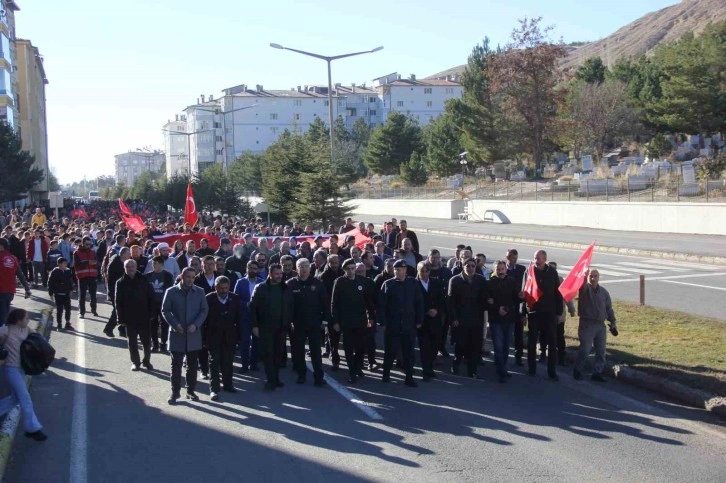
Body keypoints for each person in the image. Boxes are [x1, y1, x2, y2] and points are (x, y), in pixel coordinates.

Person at [162, 267, 210, 404]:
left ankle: (190, 391)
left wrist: (196, 324)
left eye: (193, 277)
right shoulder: (171, 292)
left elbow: (204, 310)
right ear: (182, 277)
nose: (190, 280)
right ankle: (175, 392)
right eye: (188, 277)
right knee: (176, 365)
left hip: (193, 334)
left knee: (192, 365)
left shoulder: (199, 292)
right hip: (177, 334)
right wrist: (175, 324)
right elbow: (165, 311)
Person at [0, 308, 47, 441]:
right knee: (25, 399)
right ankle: (32, 429)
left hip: (21, 369)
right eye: (26, 318)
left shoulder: (26, 330)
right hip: (10, 369)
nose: (28, 320)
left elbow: (38, 338)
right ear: (18, 320)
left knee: (16, 398)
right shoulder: (6, 330)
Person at [378, 260, 424, 387]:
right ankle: (386, 374)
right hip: (393, 324)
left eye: (400, 269)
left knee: (409, 352)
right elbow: (382, 305)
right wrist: (383, 322)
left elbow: (419, 302)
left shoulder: (413, 283)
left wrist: (419, 320)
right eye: (395, 269)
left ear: (405, 270)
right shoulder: (388, 284)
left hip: (409, 324)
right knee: (390, 351)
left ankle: (409, 377)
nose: (397, 271)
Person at [331, 258, 376, 384]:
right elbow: (334, 303)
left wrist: (371, 317)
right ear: (344, 270)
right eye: (348, 269)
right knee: (348, 348)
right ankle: (352, 371)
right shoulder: (339, 282)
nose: (351, 271)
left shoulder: (362, 281)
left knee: (361, 347)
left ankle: (357, 367)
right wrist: (335, 321)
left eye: (352, 268)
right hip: (346, 321)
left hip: (361, 320)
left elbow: (368, 302)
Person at [250, 263, 294, 391]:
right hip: (265, 327)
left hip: (281, 327)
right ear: (270, 274)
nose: (279, 276)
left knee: (278, 355)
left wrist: (289, 322)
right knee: (268, 354)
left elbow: (291, 306)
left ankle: (276, 378)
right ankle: (270, 380)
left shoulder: (286, 288)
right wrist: (255, 326)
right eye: (277, 274)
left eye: (281, 274)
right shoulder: (261, 288)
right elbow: (253, 308)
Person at [286, 258, 330, 386]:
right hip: (297, 324)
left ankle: (319, 377)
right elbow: (287, 305)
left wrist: (325, 320)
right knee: (298, 351)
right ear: (297, 268)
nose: (304, 269)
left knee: (316, 352)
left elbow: (325, 303)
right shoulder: (290, 284)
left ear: (310, 268)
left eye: (306, 266)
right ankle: (301, 375)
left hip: (314, 323)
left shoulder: (317, 283)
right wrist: (289, 321)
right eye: (301, 266)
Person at [573, 270, 618, 382]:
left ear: (599, 277)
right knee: (585, 349)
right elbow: (582, 286)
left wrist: (613, 323)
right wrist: (583, 277)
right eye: (590, 276)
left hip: (600, 325)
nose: (593, 278)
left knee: (601, 351)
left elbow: (609, 308)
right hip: (587, 324)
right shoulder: (585, 290)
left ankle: (597, 372)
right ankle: (578, 370)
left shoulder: (604, 292)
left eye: (595, 276)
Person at [447, 257, 488, 379]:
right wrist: (453, 318)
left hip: (476, 320)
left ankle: (472, 371)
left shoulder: (480, 280)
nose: (470, 268)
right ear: (463, 266)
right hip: (460, 320)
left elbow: (484, 299)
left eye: (472, 266)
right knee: (460, 345)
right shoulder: (455, 280)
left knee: (474, 347)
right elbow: (450, 302)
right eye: (468, 266)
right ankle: (456, 364)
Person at [526, 250, 564, 381]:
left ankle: (552, 371)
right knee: (532, 341)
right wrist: (523, 312)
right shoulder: (530, 271)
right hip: (534, 312)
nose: (537, 260)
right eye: (535, 257)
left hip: (549, 312)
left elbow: (558, 293)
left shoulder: (552, 272)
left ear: (545, 259)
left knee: (552, 343)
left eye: (540, 258)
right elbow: (525, 291)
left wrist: (559, 312)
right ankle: (531, 368)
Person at [205, 276, 241, 400]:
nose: (224, 291)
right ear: (216, 287)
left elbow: (239, 319)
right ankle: (214, 389)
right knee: (214, 362)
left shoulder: (235, 298)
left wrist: (238, 338)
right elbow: (204, 320)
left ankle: (228, 384)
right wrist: (204, 339)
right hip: (213, 337)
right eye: (221, 288)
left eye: (226, 288)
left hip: (229, 337)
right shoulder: (208, 299)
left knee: (228, 362)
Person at [115, 259, 155, 371]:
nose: (131, 268)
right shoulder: (120, 282)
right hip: (129, 318)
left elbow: (151, 296)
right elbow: (118, 301)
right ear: (125, 268)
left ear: (136, 267)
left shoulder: (144, 279)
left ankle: (147, 361)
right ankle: (136, 362)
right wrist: (120, 317)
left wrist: (152, 313)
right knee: (132, 342)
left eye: (132, 266)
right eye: (128, 266)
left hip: (144, 316)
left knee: (146, 342)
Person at [487, 260, 523, 383]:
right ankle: (501, 372)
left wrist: (520, 297)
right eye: (498, 269)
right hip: (496, 319)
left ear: (505, 269)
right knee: (498, 346)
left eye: (502, 269)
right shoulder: (490, 283)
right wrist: (497, 308)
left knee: (507, 346)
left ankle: (502, 366)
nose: (500, 271)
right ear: (494, 270)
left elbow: (516, 299)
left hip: (509, 318)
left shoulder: (512, 282)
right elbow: (488, 301)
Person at [539, 261, 576, 365]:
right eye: (550, 268)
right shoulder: (542, 278)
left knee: (560, 337)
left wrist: (571, 309)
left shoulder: (560, 281)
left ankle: (561, 357)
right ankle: (542, 354)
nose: (552, 271)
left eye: (554, 269)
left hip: (558, 316)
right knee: (544, 335)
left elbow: (567, 296)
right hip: (545, 314)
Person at [416, 261, 446, 382]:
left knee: (434, 346)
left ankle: (430, 367)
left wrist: (436, 310)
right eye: (421, 271)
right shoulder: (414, 284)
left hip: (435, 320)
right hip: (422, 320)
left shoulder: (436, 283)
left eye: (426, 271)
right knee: (424, 347)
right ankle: (426, 371)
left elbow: (441, 300)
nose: (424, 273)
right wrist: (425, 311)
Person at [233, 260, 263, 373]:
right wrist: (245, 304)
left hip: (257, 317)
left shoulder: (262, 282)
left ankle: (254, 364)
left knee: (257, 341)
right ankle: (244, 365)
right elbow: (235, 300)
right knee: (245, 342)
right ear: (247, 268)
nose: (252, 270)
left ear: (258, 270)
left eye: (255, 268)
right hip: (244, 316)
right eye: (250, 268)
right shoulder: (240, 282)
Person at [317, 254, 343, 367]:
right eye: (332, 262)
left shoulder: (343, 273)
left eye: (336, 262)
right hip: (330, 308)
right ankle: (334, 357)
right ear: (328, 263)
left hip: (343, 308)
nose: (335, 265)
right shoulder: (324, 276)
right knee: (333, 335)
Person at [145, 256, 174, 353]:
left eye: (155, 263)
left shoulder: (168, 276)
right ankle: (155, 344)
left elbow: (170, 290)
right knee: (152, 324)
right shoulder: (148, 276)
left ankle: (163, 343)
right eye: (153, 264)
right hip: (152, 304)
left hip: (163, 303)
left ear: (161, 264)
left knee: (164, 324)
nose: (153, 265)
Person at [0, 238, 31, 326]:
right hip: (9, 291)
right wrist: (27, 289)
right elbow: (20, 275)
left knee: (2, 317)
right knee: (4, 314)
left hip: (1, 290)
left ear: (1, 247)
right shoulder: (13, 258)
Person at [505, 249, 527, 366]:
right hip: (506, 305)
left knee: (518, 334)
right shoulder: (502, 268)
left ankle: (518, 357)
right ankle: (503, 355)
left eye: (515, 257)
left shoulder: (522, 270)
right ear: (507, 257)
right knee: (505, 333)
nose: (513, 259)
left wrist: (524, 313)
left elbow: (525, 288)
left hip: (518, 306)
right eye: (510, 257)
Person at [103, 247, 131, 338]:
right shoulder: (116, 263)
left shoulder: (124, 262)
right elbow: (113, 279)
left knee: (124, 310)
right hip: (115, 290)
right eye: (128, 253)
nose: (130, 255)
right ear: (123, 254)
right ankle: (108, 328)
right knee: (117, 311)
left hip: (123, 290)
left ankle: (122, 329)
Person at [73, 236, 99, 318]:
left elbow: (96, 262)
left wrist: (95, 264)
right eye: (87, 244)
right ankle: (82, 311)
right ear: (82, 243)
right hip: (82, 276)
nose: (88, 246)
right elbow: (77, 264)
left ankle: (94, 310)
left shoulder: (92, 252)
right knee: (82, 295)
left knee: (93, 295)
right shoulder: (76, 253)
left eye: (90, 244)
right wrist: (88, 262)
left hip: (92, 276)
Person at [48, 257, 75, 331]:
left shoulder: (68, 271)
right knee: (59, 310)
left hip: (66, 293)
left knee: (68, 309)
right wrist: (51, 293)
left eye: (66, 263)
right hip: (58, 293)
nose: (66, 265)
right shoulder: (55, 272)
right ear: (59, 264)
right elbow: (50, 283)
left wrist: (71, 290)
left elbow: (70, 281)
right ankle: (59, 324)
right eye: (64, 263)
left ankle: (67, 322)